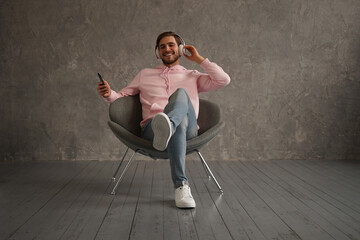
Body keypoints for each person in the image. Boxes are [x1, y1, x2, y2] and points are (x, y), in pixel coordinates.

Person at [97, 32, 230, 208]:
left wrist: (199, 59)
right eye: (162, 47)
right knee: (178, 123)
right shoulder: (145, 74)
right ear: (157, 52)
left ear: (180, 49)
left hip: (188, 131)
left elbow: (223, 80)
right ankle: (181, 185)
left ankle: (170, 124)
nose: (167, 49)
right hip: (153, 129)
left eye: (171, 45)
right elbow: (121, 98)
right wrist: (108, 94)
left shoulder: (192, 75)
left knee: (181, 95)